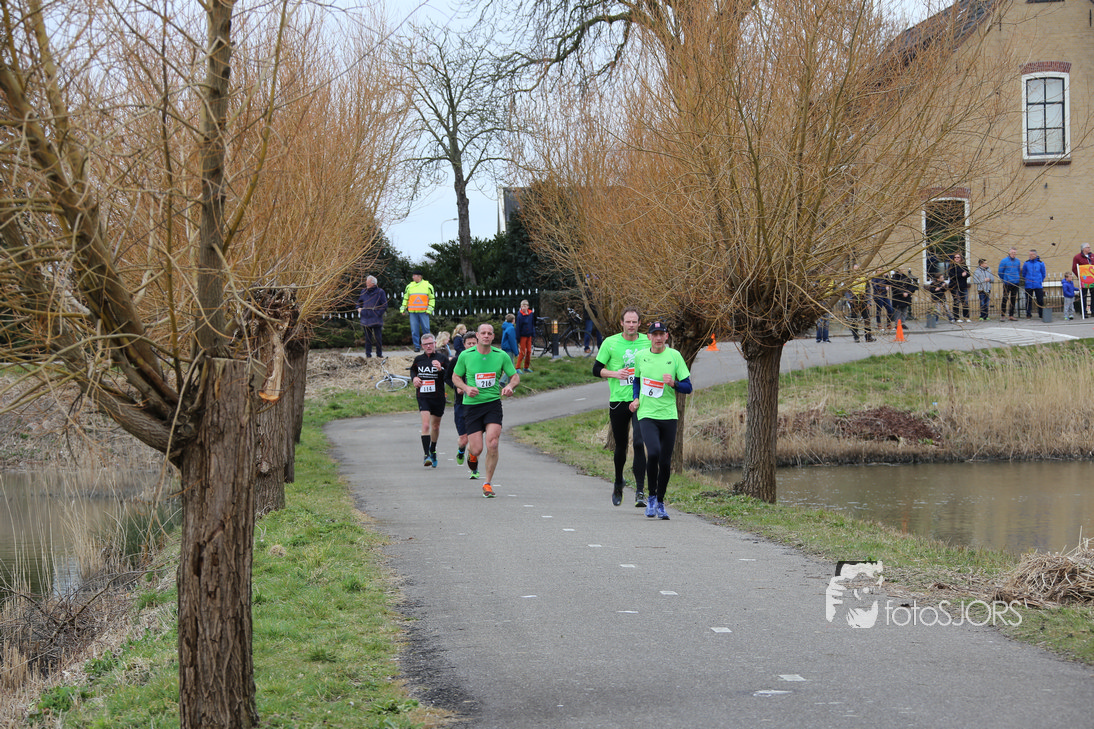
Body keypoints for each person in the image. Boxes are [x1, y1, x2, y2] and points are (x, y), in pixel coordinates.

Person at [629, 321, 693, 520]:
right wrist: (635, 398)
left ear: (666, 336)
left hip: (668, 415)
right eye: (654, 334)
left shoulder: (675, 356)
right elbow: (637, 381)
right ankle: (650, 497)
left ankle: (661, 502)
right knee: (654, 453)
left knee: (665, 462)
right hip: (647, 414)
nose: (658, 338)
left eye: (661, 334)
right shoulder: (640, 356)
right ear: (649, 337)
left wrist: (674, 383)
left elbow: (688, 387)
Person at [451, 323, 520, 498]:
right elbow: (455, 377)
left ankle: (487, 483)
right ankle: (472, 455)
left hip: (492, 404)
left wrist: (510, 386)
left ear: (493, 336)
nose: (486, 336)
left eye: (489, 333)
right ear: (478, 335)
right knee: (477, 449)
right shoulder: (466, 355)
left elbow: (514, 376)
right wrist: (466, 388)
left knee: (493, 443)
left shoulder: (501, 355)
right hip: (472, 406)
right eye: (483, 333)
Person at [594, 307, 651, 507]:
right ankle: (618, 481)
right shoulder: (610, 343)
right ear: (622, 323)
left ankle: (640, 491)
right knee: (621, 446)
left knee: (639, 443)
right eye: (628, 322)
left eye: (634, 322)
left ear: (639, 323)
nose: (631, 325)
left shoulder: (647, 341)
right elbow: (596, 369)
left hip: (640, 400)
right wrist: (615, 374)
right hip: (619, 400)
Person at [410, 333, 449, 468]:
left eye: (431, 343)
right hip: (423, 396)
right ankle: (426, 455)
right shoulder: (418, 359)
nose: (428, 346)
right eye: (426, 344)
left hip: (438, 397)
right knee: (426, 425)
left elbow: (450, 375)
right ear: (422, 346)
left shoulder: (442, 358)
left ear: (435, 344)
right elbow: (413, 371)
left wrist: (440, 369)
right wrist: (414, 379)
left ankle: (433, 449)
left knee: (435, 426)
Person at [445, 331, 478, 472]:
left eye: (474, 343)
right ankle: (461, 450)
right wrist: (457, 387)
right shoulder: (456, 360)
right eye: (469, 343)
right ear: (464, 345)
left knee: (475, 439)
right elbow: (447, 377)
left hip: (477, 403)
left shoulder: (482, 360)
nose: (471, 346)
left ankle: (474, 469)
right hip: (461, 404)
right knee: (464, 439)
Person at [400, 269, 436, 352]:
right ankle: (417, 346)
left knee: (426, 330)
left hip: (424, 312)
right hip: (413, 312)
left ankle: (428, 346)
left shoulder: (427, 286)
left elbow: (432, 299)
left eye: (414, 275)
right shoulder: (409, 286)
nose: (412, 277)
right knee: (414, 330)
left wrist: (429, 309)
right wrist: (403, 308)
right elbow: (406, 298)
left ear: (419, 276)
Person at [356, 275, 387, 358]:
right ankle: (368, 355)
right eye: (366, 282)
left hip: (376, 319)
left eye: (368, 283)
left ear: (373, 283)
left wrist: (378, 313)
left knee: (378, 338)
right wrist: (359, 309)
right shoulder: (363, 291)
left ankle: (379, 355)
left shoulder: (380, 292)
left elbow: (384, 305)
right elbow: (358, 302)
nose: (366, 284)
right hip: (365, 318)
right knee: (367, 338)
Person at [849, 265, 873, 342]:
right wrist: (850, 299)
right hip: (854, 299)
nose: (856, 271)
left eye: (858, 270)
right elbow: (846, 290)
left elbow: (868, 291)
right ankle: (856, 337)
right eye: (855, 270)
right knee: (854, 319)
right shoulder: (850, 279)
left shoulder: (864, 278)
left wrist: (868, 302)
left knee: (867, 319)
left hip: (863, 299)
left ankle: (868, 337)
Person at [1021, 249, 1046, 319]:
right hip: (1028, 284)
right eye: (1029, 255)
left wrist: (1040, 280)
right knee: (1028, 300)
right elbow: (1024, 273)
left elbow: (1043, 273)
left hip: (1038, 284)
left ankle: (1041, 314)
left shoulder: (1040, 263)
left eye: (1031, 255)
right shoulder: (1026, 263)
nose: (1030, 256)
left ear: (1035, 255)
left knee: (1040, 300)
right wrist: (1027, 279)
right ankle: (1028, 314)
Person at [997, 247, 1021, 321]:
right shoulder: (1004, 261)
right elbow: (1000, 272)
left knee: (1013, 299)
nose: (1013, 254)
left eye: (1015, 253)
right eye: (1012, 253)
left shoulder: (1018, 261)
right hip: (1007, 283)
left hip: (1015, 282)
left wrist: (1017, 278)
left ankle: (1011, 315)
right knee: (1005, 299)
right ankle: (1003, 315)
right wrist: (1004, 279)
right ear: (1009, 253)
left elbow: (1018, 271)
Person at [947, 253, 971, 322]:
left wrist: (965, 275)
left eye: (958, 257)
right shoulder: (951, 266)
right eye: (955, 257)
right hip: (954, 286)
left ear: (961, 258)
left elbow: (968, 273)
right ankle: (956, 318)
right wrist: (961, 275)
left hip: (963, 286)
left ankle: (966, 317)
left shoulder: (963, 266)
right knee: (956, 302)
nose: (957, 258)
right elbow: (952, 275)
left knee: (965, 302)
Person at [1071, 243, 1094, 315]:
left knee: (1093, 295)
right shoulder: (1077, 257)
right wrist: (1080, 276)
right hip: (1084, 280)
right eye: (1088, 247)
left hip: (1092, 279)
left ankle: (1093, 311)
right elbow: (1074, 268)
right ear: (1083, 249)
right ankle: (1084, 311)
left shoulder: (1092, 256)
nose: (1089, 248)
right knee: (1084, 295)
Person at [515, 300, 535, 373]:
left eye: (525, 306)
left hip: (529, 335)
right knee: (522, 352)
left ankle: (526, 367)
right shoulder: (520, 316)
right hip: (522, 336)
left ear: (528, 307)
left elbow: (532, 324)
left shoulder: (531, 314)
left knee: (529, 351)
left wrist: (533, 333)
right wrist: (518, 338)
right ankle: (517, 367)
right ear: (521, 307)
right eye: (522, 306)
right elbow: (518, 327)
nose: (523, 307)